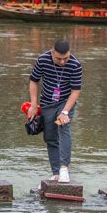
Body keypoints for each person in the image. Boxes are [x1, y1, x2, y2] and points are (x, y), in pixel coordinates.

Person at [27, 40, 82, 183]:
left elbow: (75, 91)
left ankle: (64, 168)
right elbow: (34, 81)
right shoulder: (42, 60)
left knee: (63, 127)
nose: (63, 62)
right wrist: (33, 105)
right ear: (52, 53)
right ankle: (56, 172)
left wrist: (64, 112)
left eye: (66, 58)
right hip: (47, 103)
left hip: (65, 102)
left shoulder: (75, 64)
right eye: (59, 58)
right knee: (50, 138)